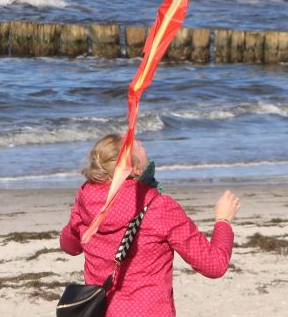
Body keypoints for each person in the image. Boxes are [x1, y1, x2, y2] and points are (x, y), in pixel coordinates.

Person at [59, 134, 240, 316]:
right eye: (133, 143)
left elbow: (69, 246)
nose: (138, 141)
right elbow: (214, 265)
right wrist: (223, 221)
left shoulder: (84, 201)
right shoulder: (160, 208)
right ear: (136, 169)